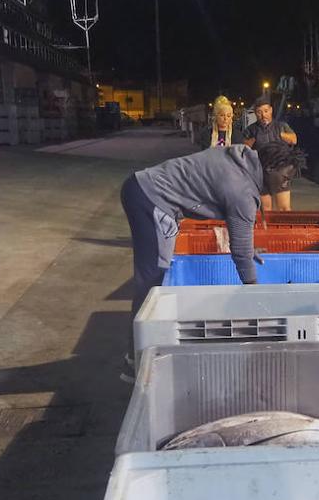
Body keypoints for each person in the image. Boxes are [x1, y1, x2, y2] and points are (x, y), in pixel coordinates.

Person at [120, 144, 265, 381]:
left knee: (153, 277)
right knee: (153, 281)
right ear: (269, 168)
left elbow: (241, 244)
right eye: (286, 176)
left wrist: (248, 251)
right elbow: (239, 252)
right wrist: (255, 295)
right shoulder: (242, 191)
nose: (286, 183)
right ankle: (135, 362)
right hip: (151, 200)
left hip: (140, 188)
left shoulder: (241, 159)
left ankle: (135, 356)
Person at [243, 94, 299, 211]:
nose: (263, 115)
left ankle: (285, 229)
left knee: (284, 208)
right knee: (265, 210)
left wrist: (279, 135)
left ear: (271, 110)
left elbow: (294, 139)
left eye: (266, 111)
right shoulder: (250, 130)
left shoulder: (281, 126)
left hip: (280, 172)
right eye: (259, 112)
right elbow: (243, 149)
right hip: (260, 173)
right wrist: (254, 139)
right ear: (255, 113)